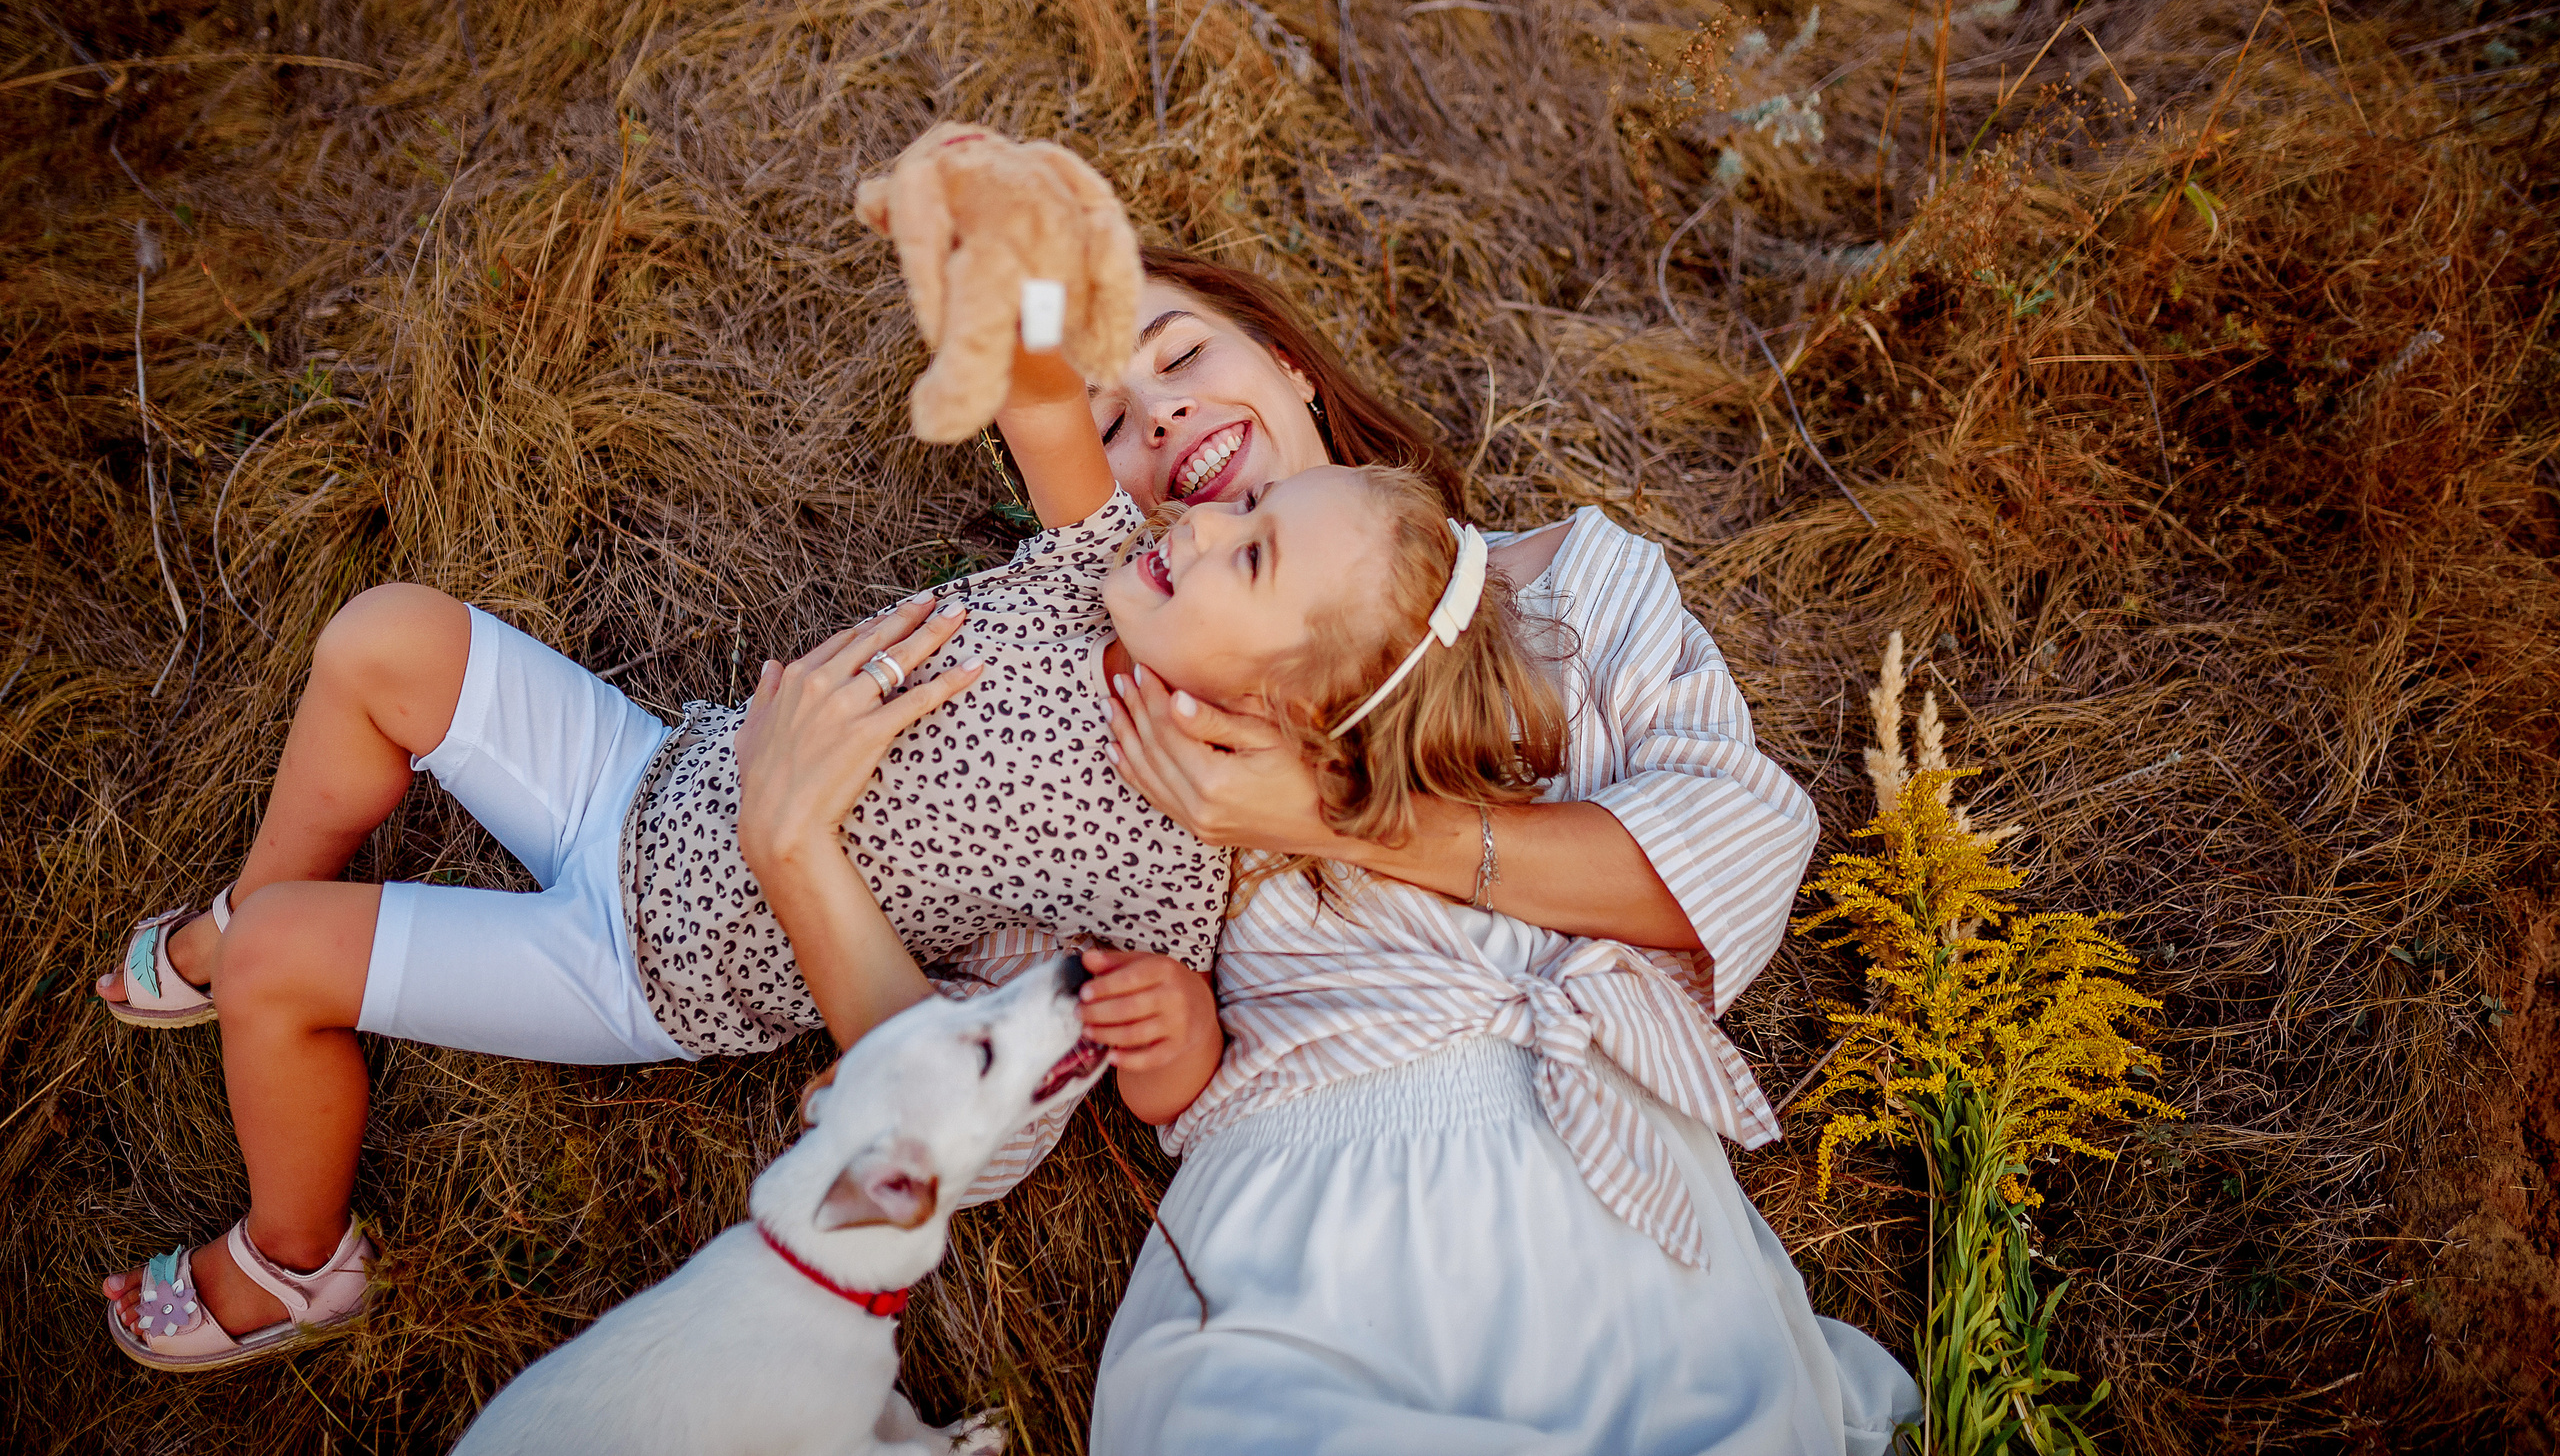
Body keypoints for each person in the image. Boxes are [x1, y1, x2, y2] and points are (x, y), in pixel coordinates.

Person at [93, 246, 1554, 1373]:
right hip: (647, 770)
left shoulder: (1159, 882)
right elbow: (1044, 404)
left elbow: (959, 1106)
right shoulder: (1101, 569)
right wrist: (1014, 277)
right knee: (382, 635)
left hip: (653, 959)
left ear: (1291, 716)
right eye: (1235, 515)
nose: (1204, 520)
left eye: (1247, 558)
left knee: (295, 961)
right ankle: (240, 913)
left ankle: (295, 1258)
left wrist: (1168, 1048)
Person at [1084, 246, 1924, 1454]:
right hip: (1308, 1212)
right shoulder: (1138, 713)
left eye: (1179, 354)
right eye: (1108, 420)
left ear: (1285, 363)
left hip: (1589, 1179)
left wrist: (1325, 816)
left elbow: (1737, 852)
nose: (1158, 408)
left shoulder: (1574, 580)